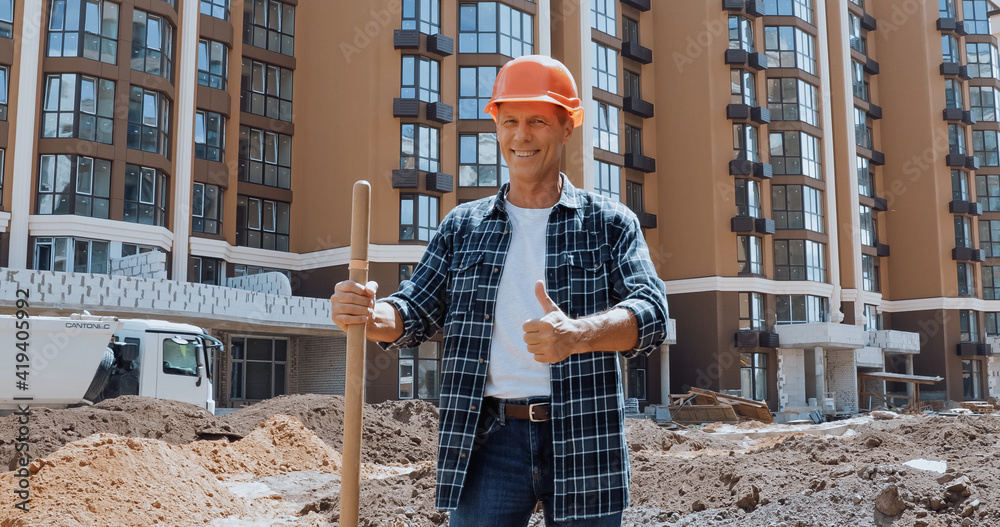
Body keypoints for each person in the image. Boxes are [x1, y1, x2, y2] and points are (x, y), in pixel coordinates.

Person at [330, 54, 669, 526]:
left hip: (584, 434)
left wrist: (578, 334)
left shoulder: (608, 223)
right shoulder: (463, 227)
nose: (520, 135)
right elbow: (413, 309)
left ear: (568, 126)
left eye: (537, 121)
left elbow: (651, 313)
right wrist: (369, 314)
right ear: (496, 126)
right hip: (489, 439)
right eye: (509, 121)